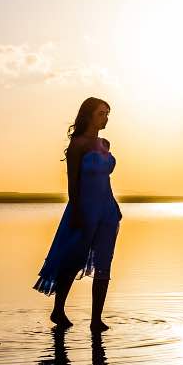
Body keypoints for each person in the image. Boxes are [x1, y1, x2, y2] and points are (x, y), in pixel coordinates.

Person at [34, 97, 123, 331]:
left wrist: (115, 207)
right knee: (73, 260)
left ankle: (96, 320)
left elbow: (107, 179)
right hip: (84, 209)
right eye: (101, 113)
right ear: (89, 116)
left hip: (107, 210)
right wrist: (76, 211)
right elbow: (72, 183)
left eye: (107, 113)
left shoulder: (105, 144)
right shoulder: (78, 145)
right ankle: (58, 310)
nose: (106, 118)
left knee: (105, 263)